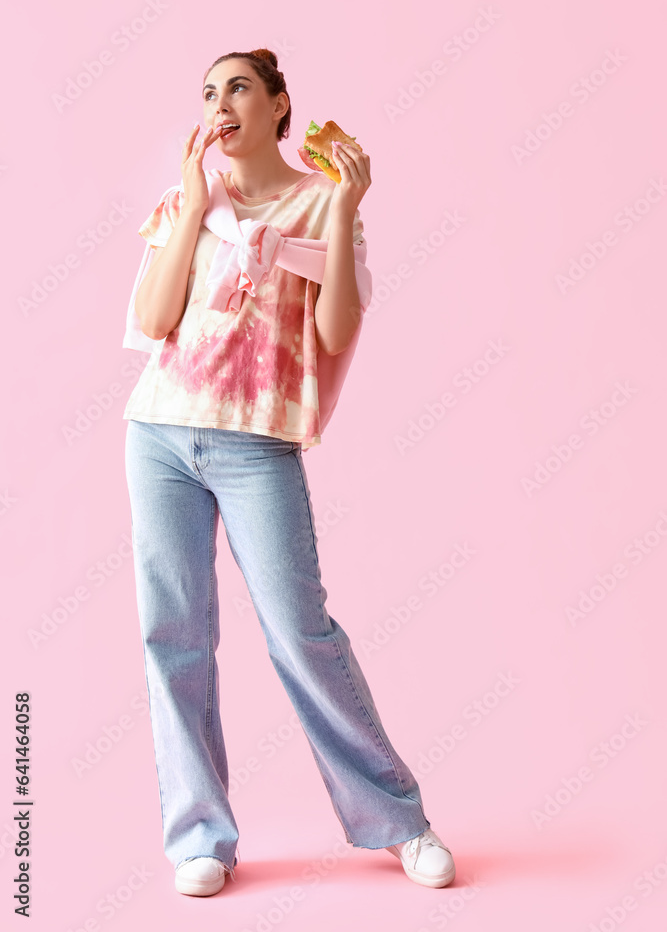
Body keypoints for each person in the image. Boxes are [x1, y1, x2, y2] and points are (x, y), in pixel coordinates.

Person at [122, 47, 456, 897]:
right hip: (159, 435)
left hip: (256, 443)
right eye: (206, 91)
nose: (218, 103)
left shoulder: (319, 203)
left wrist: (343, 208)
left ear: (279, 107)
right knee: (176, 635)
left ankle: (399, 821)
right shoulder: (188, 201)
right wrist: (196, 207)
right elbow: (155, 319)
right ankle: (200, 836)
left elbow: (336, 329)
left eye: (237, 87)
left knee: (302, 633)